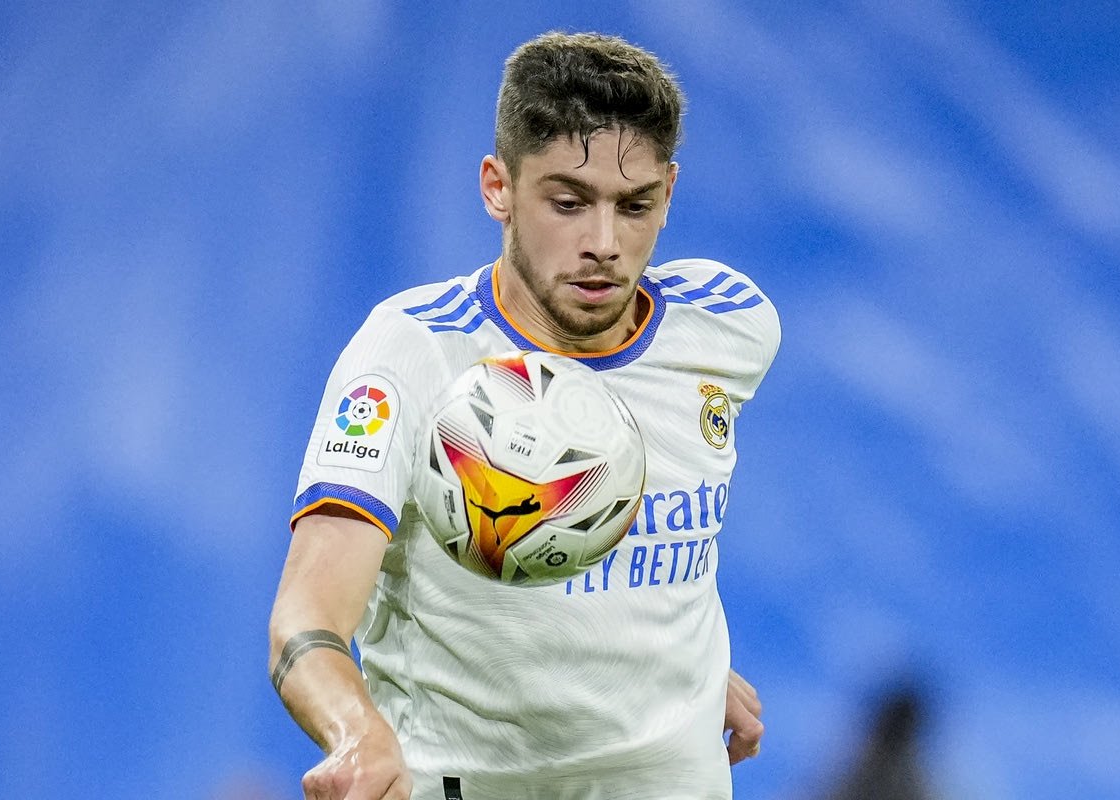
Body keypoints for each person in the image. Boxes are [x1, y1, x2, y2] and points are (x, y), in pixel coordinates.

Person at [269, 31, 780, 800]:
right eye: (568, 203)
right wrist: (355, 728)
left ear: (670, 193)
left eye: (635, 205)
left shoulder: (730, 326)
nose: (603, 244)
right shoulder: (411, 352)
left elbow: (640, 551)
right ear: (498, 188)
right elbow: (306, 617)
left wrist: (681, 670)